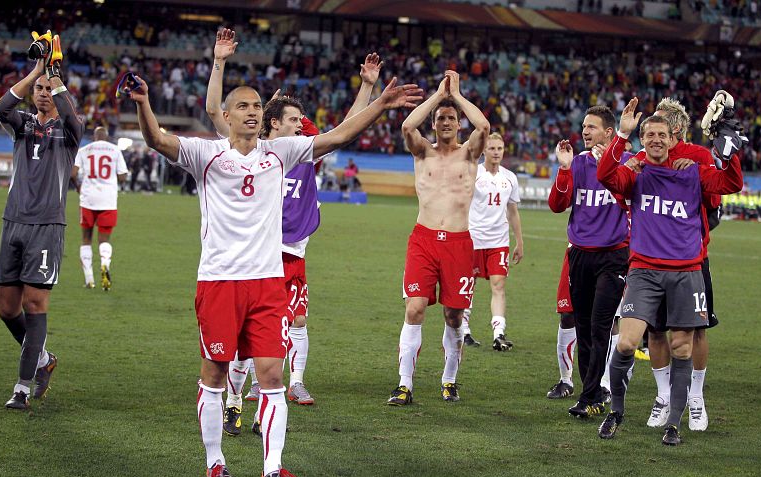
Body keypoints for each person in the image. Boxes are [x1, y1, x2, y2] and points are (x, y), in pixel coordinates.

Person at [129, 60, 420, 477]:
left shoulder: (280, 153)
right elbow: (155, 139)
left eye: (256, 105)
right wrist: (143, 103)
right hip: (220, 281)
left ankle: (272, 470)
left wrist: (380, 103)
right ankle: (215, 462)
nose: (250, 110)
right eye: (242, 105)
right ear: (226, 116)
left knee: (271, 376)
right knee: (213, 374)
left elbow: (339, 135)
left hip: (267, 284)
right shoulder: (205, 154)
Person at [204, 29, 385, 433]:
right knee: (242, 342)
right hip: (258, 256)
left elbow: (346, 129)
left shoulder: (302, 153)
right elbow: (216, 111)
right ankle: (234, 399)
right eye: (294, 122)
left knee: (286, 330)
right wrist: (219, 63)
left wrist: (367, 88)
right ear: (273, 124)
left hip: (295, 255)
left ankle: (265, 403)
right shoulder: (250, 151)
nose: (303, 128)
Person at [596, 98, 743, 446]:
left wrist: (731, 154)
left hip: (687, 271)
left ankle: (675, 423)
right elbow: (605, 175)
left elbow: (731, 184)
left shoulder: (692, 169)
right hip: (644, 270)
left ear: (672, 136)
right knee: (629, 342)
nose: (656, 140)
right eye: (650, 135)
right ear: (643, 138)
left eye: (662, 134)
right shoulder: (635, 172)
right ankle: (616, 411)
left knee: (681, 347)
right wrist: (621, 135)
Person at [388, 70, 490, 405]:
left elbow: (484, 127)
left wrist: (456, 96)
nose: (445, 122)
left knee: (454, 316)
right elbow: (406, 126)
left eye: (451, 118)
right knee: (415, 308)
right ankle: (404, 384)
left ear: (458, 124)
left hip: (460, 243)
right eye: (440, 118)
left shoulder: (470, 154)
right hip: (424, 239)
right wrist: (438, 95)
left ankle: (449, 379)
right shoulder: (422, 152)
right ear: (433, 124)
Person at [0, 31, 83, 410]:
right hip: (13, 221)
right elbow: (0, 109)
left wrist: (56, 74)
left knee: (34, 304)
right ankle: (44, 358)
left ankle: (22, 387)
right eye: (40, 88)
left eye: (50, 88)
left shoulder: (68, 132)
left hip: (47, 226)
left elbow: (73, 115)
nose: (45, 92)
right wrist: (35, 72)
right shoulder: (22, 124)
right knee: (6, 308)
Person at [640, 97, 725, 431]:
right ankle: (663, 396)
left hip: (691, 261)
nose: (653, 135)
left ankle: (696, 398)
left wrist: (692, 231)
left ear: (674, 129)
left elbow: (714, 206)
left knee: (698, 330)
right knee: (657, 331)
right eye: (650, 131)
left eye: (660, 127)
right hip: (652, 260)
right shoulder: (645, 157)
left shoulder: (699, 157)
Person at [549, 105, 630, 419]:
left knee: (600, 326)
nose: (584, 131)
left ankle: (590, 395)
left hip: (613, 256)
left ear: (609, 133)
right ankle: (593, 393)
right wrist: (565, 168)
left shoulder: (627, 164)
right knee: (583, 328)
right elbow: (557, 205)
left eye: (592, 127)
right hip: (580, 255)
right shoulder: (579, 163)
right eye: (584, 126)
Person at [461, 132, 523, 351]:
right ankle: (464, 331)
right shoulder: (473, 174)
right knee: (469, 285)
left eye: (499, 148)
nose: (496, 152)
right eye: (492, 148)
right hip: (473, 239)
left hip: (499, 241)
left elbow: (513, 211)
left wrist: (519, 241)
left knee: (499, 285)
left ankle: (499, 333)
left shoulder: (510, 178)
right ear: (484, 151)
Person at [71, 126, 128, 290]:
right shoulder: (115, 150)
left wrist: (78, 187)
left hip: (88, 199)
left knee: (86, 239)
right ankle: (104, 264)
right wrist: (114, 179)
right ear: (107, 137)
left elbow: (72, 174)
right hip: (108, 199)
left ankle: (89, 279)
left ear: (94, 137)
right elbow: (123, 176)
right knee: (104, 239)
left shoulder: (85, 150)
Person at [546, 248, 577, 399]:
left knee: (609, 320)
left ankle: (605, 385)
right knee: (567, 315)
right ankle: (566, 380)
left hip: (611, 253)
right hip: (578, 249)